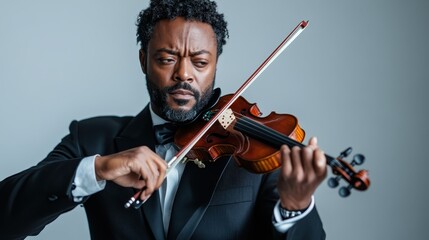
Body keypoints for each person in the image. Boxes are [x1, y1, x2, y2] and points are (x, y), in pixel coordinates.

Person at [0, 0, 327, 239]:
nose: (184, 74)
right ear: (144, 60)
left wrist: (295, 207)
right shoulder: (93, 137)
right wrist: (98, 168)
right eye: (167, 59)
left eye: (200, 62)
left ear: (215, 65)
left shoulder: (255, 153)